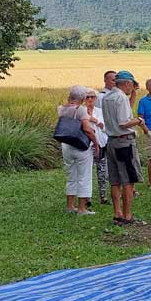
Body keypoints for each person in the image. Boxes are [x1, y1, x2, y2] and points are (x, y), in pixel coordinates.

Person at [102, 71, 145, 225]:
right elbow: (123, 122)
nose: (131, 88)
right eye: (131, 85)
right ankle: (127, 215)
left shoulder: (107, 97)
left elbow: (124, 111)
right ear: (127, 83)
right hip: (124, 142)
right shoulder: (121, 98)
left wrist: (134, 94)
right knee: (128, 179)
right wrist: (138, 121)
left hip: (111, 141)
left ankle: (117, 213)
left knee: (115, 180)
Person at [58, 85, 100, 215]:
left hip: (66, 145)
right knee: (84, 176)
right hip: (81, 146)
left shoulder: (61, 109)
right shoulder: (81, 110)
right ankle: (82, 208)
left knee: (71, 176)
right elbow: (87, 129)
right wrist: (96, 143)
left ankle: (70, 206)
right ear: (82, 98)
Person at [84, 88, 109, 206]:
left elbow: (105, 127)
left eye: (92, 97)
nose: (90, 99)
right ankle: (87, 197)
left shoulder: (100, 111)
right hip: (86, 145)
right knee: (87, 171)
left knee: (102, 170)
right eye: (87, 97)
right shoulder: (80, 111)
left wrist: (95, 120)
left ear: (96, 99)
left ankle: (103, 196)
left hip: (100, 143)